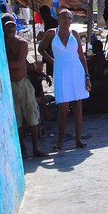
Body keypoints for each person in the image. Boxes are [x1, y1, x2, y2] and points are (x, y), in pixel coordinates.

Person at [38, 8, 91, 151]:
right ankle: (60, 141)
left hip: (76, 72)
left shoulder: (74, 34)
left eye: (69, 18)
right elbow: (40, 49)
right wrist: (53, 61)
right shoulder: (51, 34)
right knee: (63, 107)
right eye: (64, 18)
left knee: (78, 105)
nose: (66, 20)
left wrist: (87, 76)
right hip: (61, 73)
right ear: (58, 18)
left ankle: (78, 140)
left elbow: (81, 56)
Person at [2, 13, 48, 158]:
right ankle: (22, 149)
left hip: (23, 83)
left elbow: (19, 65)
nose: (11, 29)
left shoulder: (21, 43)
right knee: (17, 120)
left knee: (32, 116)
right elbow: (21, 65)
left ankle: (35, 148)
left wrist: (2, 65)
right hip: (10, 85)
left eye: (13, 25)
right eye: (7, 26)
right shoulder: (1, 44)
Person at [38, 5, 57, 76]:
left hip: (52, 49)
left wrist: (43, 35)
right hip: (49, 48)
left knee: (52, 68)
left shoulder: (51, 22)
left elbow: (52, 36)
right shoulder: (47, 22)